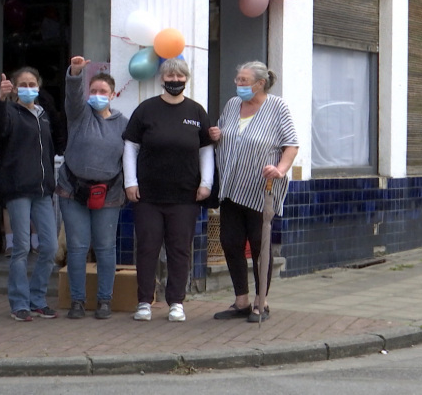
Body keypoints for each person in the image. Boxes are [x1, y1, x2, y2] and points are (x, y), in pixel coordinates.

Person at [122, 57, 214, 322]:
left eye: (180, 77)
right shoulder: (146, 110)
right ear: (162, 79)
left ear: (186, 79)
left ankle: (176, 302)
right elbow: (130, 147)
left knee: (180, 249)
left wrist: (205, 183)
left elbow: (206, 149)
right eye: (170, 77)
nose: (175, 81)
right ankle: (144, 302)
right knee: (147, 248)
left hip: (185, 194)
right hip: (148, 195)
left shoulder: (197, 112)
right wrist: (131, 182)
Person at [209, 61, 298, 323]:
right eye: (237, 79)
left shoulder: (277, 107)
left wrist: (280, 169)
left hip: (261, 190)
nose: (238, 84)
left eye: (244, 80)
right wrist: (217, 134)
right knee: (230, 242)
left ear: (260, 83)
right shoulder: (232, 105)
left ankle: (262, 302)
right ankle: (241, 301)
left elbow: (291, 145)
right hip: (231, 187)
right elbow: (227, 136)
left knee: (261, 246)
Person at [57, 56, 128, 319]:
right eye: (93, 91)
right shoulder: (79, 114)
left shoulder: (124, 123)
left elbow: (130, 157)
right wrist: (75, 72)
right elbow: (73, 95)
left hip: (109, 194)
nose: (97, 95)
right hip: (73, 191)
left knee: (106, 248)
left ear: (112, 94)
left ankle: (104, 300)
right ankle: (77, 300)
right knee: (77, 247)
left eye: (103, 92)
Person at [0, 67, 59, 321]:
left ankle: (37, 299)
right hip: (18, 188)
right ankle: (19, 303)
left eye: (32, 83)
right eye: (23, 84)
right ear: (15, 89)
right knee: (21, 247)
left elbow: (50, 148)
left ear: (38, 86)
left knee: (49, 247)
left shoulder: (43, 115)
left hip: (42, 190)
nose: (28, 87)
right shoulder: (9, 112)